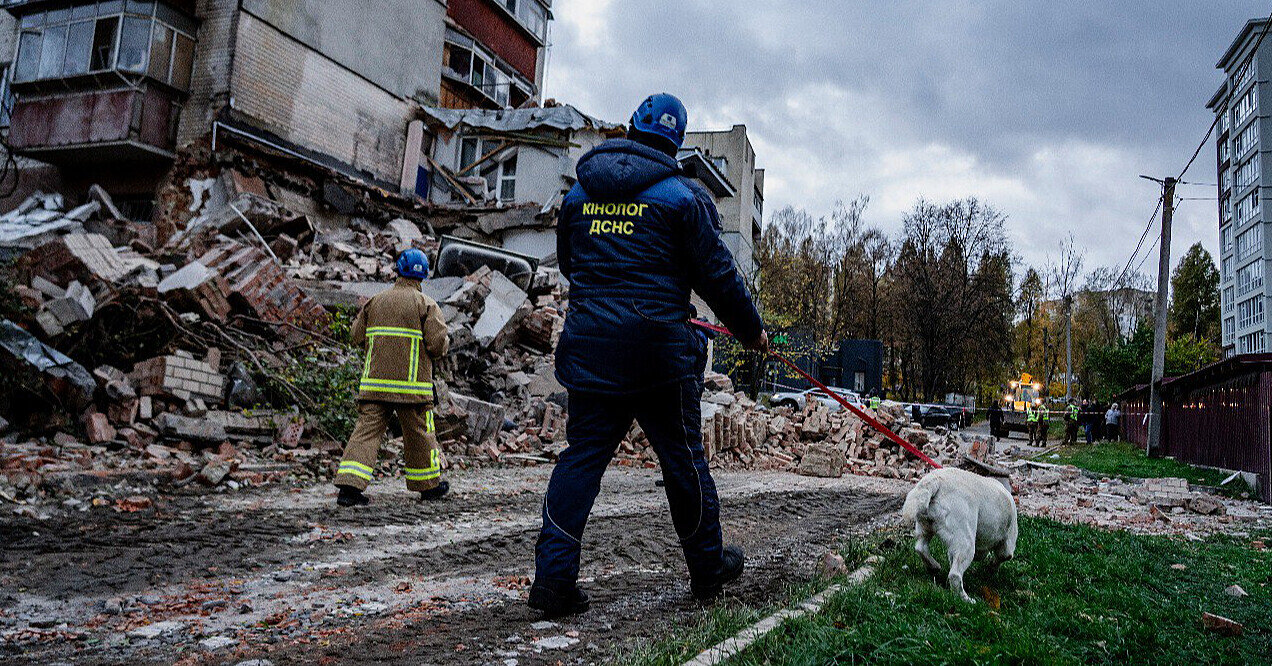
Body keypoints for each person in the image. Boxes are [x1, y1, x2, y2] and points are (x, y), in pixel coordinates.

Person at [530, 93, 768, 617]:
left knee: (581, 460)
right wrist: (751, 332)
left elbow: (570, 265)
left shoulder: (579, 196)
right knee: (683, 462)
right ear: (676, 142)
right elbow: (719, 277)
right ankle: (707, 570)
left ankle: (551, 582)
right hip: (661, 357)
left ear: (633, 127)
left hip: (592, 352)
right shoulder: (684, 197)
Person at [333, 249, 450, 507]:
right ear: (424, 274)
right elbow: (438, 345)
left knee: (366, 433)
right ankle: (429, 487)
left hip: (374, 385)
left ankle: (349, 489)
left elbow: (355, 336)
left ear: (397, 270)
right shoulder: (426, 304)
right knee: (420, 433)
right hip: (412, 387)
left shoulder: (375, 301)